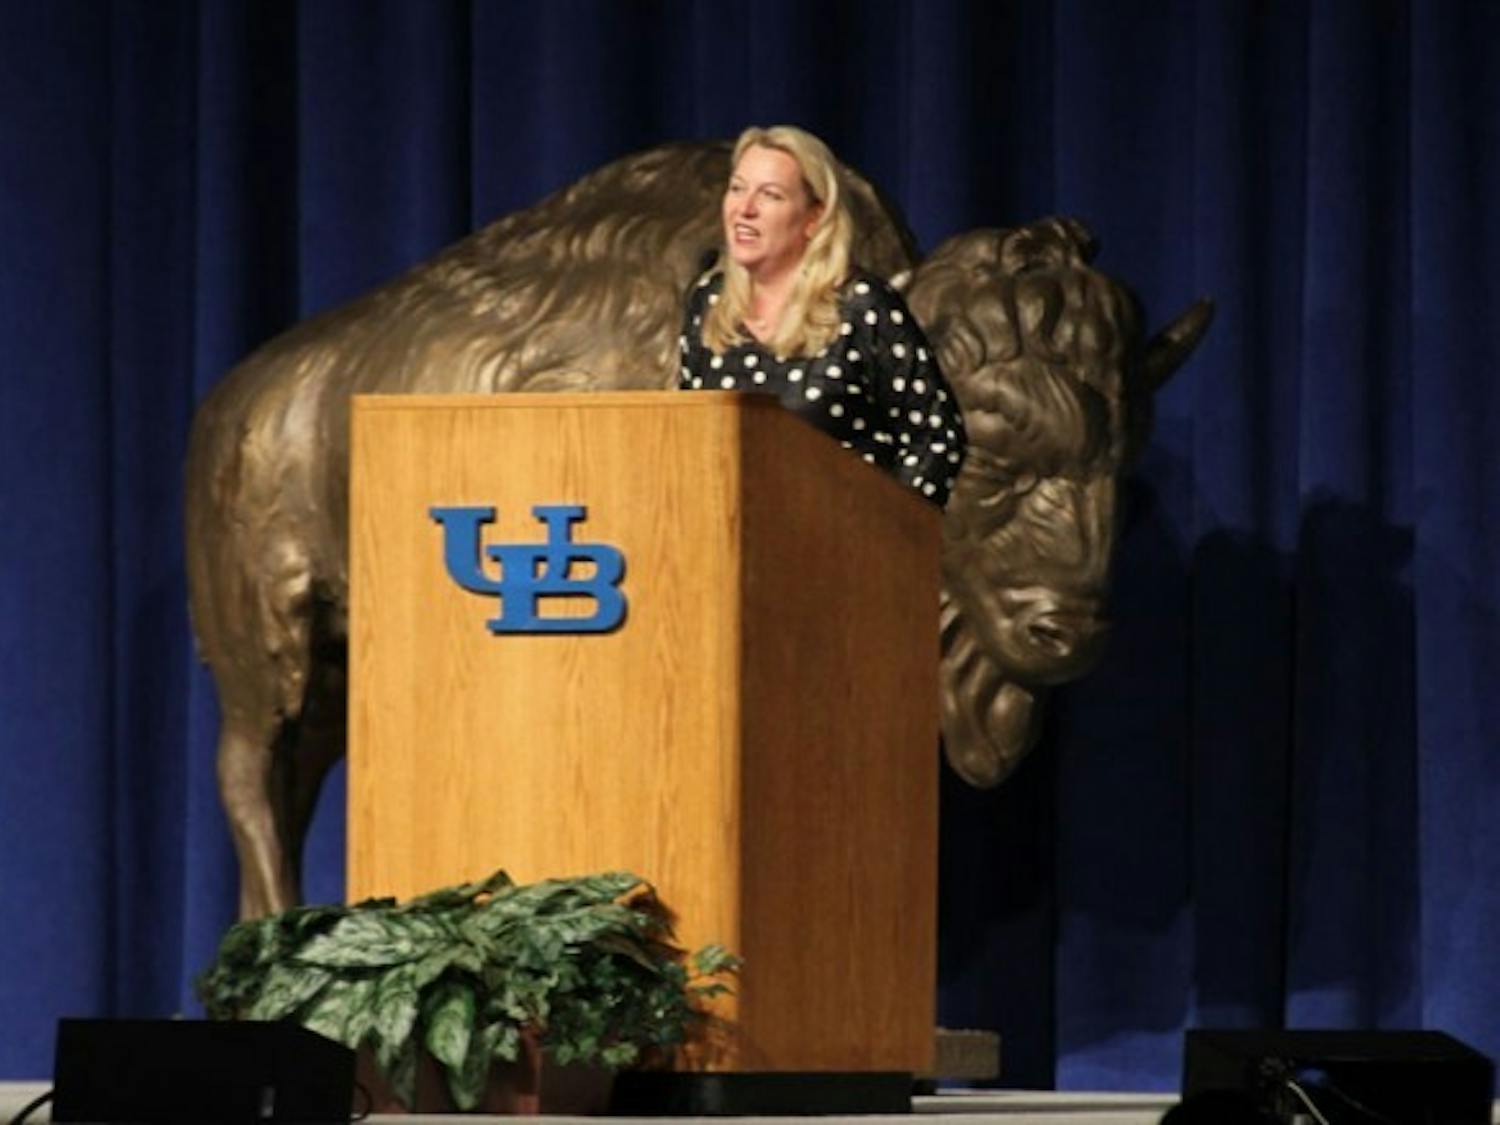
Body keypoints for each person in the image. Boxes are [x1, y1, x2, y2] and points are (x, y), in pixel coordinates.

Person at [678, 125, 966, 507]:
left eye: (770, 195)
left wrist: (889, 528)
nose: (744, 208)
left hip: (843, 551)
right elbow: (688, 434)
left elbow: (937, 435)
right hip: (730, 547)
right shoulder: (709, 300)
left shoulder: (861, 306)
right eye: (737, 188)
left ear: (814, 218)